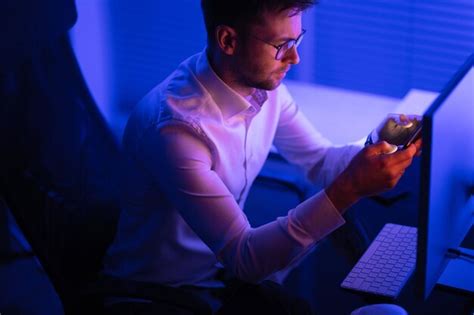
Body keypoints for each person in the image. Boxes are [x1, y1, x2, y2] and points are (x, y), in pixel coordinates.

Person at [101, 0, 421, 314]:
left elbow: (321, 161)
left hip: (220, 273)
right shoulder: (175, 130)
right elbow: (245, 258)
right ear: (228, 40)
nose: (294, 57)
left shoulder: (264, 88)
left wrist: (379, 146)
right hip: (163, 295)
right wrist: (350, 187)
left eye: (297, 39)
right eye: (282, 45)